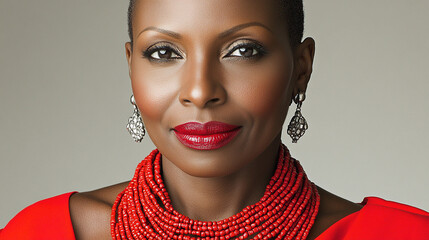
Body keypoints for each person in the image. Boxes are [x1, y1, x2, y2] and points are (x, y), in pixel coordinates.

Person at [1, 0, 428, 239]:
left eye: (242, 50)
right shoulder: (43, 232)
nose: (201, 90)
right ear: (131, 67)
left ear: (301, 68)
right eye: (164, 52)